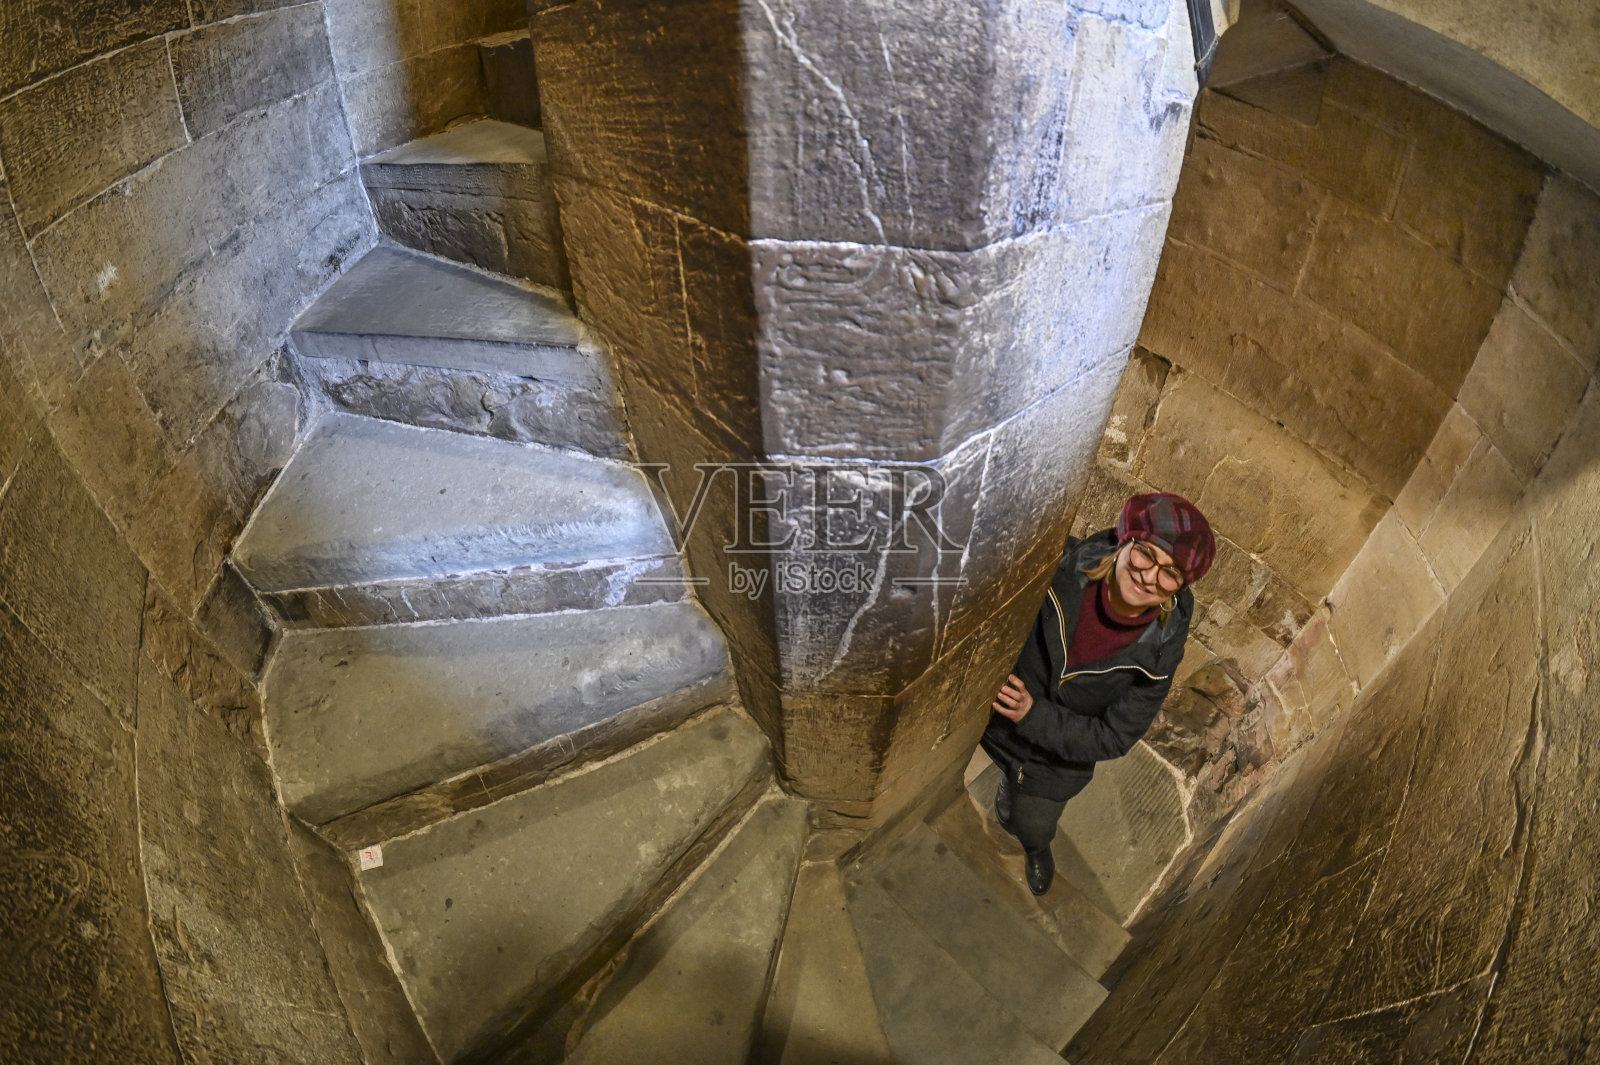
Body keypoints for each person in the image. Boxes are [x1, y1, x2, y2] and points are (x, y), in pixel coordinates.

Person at [979, 492, 1214, 895]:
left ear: (1178, 587)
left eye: (1170, 573)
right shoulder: (1058, 566)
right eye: (1146, 554)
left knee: (1031, 823)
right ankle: (1008, 781)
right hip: (991, 715)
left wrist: (1034, 717)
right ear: (1126, 540)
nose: (1149, 577)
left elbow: (1114, 735)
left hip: (1054, 761)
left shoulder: (1158, 653)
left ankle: (1035, 846)